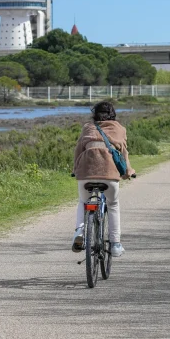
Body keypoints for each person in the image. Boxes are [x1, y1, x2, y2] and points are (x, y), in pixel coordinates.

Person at [72, 101, 135, 257]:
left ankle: (79, 232)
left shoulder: (87, 128)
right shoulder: (119, 129)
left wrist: (75, 170)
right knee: (112, 204)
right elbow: (123, 154)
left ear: (95, 114)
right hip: (109, 174)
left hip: (85, 173)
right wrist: (128, 172)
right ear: (113, 114)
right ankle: (115, 244)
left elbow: (78, 151)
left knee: (84, 202)